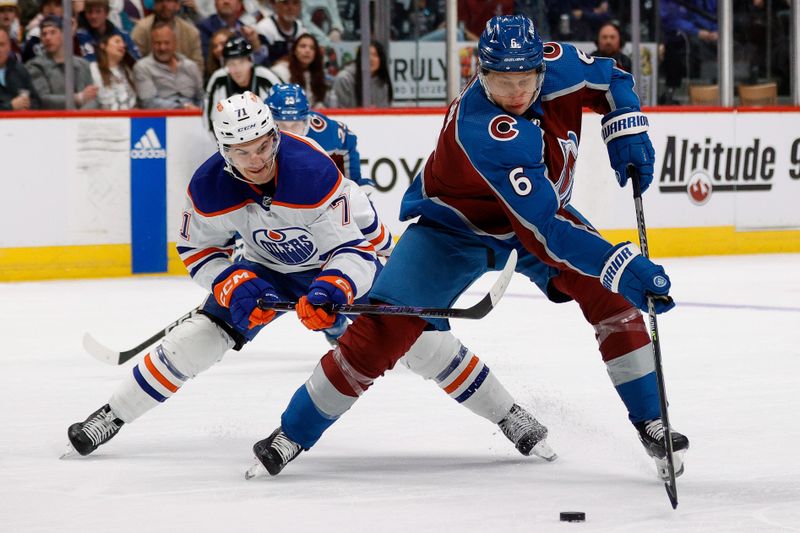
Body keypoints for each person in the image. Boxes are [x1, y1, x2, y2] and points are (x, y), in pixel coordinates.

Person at [248, 15, 689, 481]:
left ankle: (651, 422)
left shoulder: (559, 64)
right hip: (454, 231)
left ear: (542, 67)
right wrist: (616, 263)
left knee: (611, 299)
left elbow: (612, 80)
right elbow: (546, 231)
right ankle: (292, 432)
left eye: (525, 80)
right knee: (379, 335)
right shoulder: (483, 128)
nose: (516, 92)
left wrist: (627, 126)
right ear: (481, 74)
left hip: (535, 221)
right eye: (502, 81)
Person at [266, 82, 371, 190]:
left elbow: (348, 141)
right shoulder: (260, 135)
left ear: (306, 120)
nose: (289, 133)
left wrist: (353, 182)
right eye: (282, 125)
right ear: (268, 121)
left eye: (295, 125)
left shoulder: (325, 132)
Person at [203, 35, 281, 131]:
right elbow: (211, 120)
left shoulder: (266, 78)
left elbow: (283, 112)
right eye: (231, 64)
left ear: (250, 61)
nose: (237, 69)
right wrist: (222, 145)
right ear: (225, 65)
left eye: (242, 62)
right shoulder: (218, 80)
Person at [26, 16, 99, 109]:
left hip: (82, 120)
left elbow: (92, 98)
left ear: (63, 34)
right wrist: (78, 98)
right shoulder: (35, 66)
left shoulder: (83, 64)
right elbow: (43, 99)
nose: (48, 38)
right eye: (44, 34)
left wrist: (79, 118)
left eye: (53, 32)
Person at [133, 21, 203, 108]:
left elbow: (201, 98)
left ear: (175, 44)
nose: (162, 48)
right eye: (157, 43)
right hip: (160, 117)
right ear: (152, 44)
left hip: (194, 116)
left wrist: (201, 111)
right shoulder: (142, 67)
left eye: (166, 43)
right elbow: (148, 102)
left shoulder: (190, 66)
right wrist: (182, 108)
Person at [131, 0, 204, 75]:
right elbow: (134, 63)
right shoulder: (141, 30)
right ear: (154, 5)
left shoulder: (191, 33)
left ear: (177, 5)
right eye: (160, 1)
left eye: (169, 1)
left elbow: (197, 68)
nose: (164, 5)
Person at [268, 32, 327, 107]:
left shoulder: (316, 73)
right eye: (303, 46)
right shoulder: (280, 71)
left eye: (312, 48)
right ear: (295, 50)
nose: (307, 50)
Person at [331, 40, 392, 108]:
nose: (370, 59)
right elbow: (339, 112)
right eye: (367, 55)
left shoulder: (382, 81)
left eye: (375, 55)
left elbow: (384, 111)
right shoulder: (344, 79)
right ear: (359, 57)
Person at [90, 32, 138, 109]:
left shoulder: (127, 70)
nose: (123, 45)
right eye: (117, 41)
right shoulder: (93, 69)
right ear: (103, 46)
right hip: (106, 118)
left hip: (130, 117)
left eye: (123, 43)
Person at [254, 0, 306, 67]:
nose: (290, 8)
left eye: (295, 3)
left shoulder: (301, 28)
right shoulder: (264, 28)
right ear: (276, 5)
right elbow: (260, 62)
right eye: (285, 3)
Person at [0, 25, 40, 110]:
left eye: (2, 44)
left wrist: (28, 104)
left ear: (9, 46)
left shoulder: (20, 70)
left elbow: (37, 102)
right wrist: (10, 106)